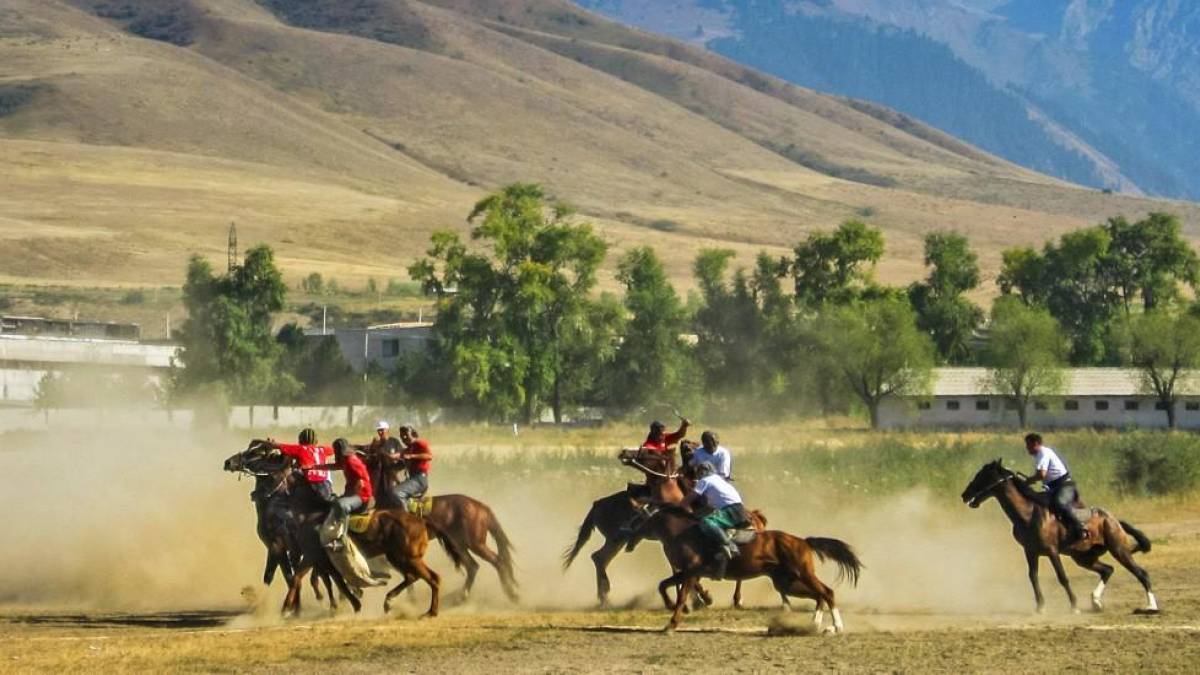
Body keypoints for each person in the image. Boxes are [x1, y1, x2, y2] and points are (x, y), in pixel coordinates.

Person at [682, 461, 750, 579]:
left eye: (699, 472)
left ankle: (729, 546)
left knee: (706, 522)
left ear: (703, 472)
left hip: (731, 511)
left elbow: (689, 499)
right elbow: (712, 505)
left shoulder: (705, 481)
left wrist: (679, 505)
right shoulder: (718, 480)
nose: (698, 475)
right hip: (738, 509)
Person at [1024, 433, 1087, 543]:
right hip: (1053, 488)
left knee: (1059, 503)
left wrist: (1029, 481)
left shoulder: (1043, 453)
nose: (1027, 448)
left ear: (1036, 443)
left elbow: (1041, 474)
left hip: (1064, 485)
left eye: (1028, 445)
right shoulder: (1039, 455)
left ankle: (1080, 528)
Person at [322, 438, 374, 546]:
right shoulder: (345, 460)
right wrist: (315, 467)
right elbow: (335, 466)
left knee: (341, 504)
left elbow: (363, 479)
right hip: (354, 494)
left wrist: (352, 494)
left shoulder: (351, 460)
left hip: (362, 496)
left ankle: (342, 538)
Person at [269, 428, 334, 505]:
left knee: (289, 475)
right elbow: (334, 450)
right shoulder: (323, 450)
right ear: (316, 441)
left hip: (310, 484)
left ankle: (285, 499)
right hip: (326, 485)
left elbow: (278, 446)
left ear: (300, 440)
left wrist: (271, 443)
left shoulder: (300, 449)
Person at [389, 425, 432, 511]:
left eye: (406, 435)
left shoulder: (420, 443)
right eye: (402, 437)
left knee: (396, 493)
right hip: (413, 479)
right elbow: (397, 456)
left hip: (419, 479)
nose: (404, 438)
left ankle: (406, 518)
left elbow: (429, 456)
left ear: (413, 434)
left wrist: (411, 456)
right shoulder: (407, 449)